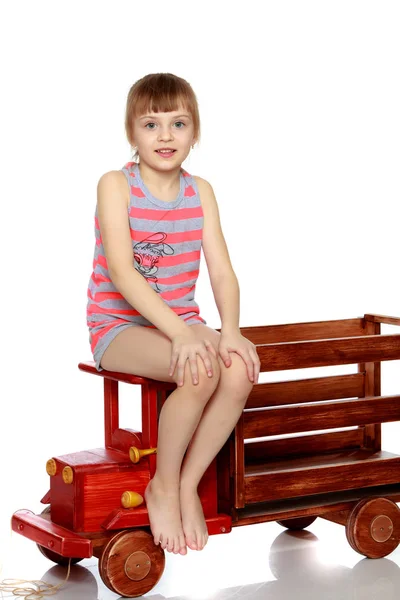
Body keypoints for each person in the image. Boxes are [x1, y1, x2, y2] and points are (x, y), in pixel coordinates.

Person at [86, 73, 260, 556]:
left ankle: (187, 483)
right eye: (151, 124)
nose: (165, 136)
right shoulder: (116, 185)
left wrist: (230, 331)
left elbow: (222, 273)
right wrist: (183, 335)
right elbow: (122, 272)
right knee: (197, 370)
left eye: (178, 124)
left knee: (237, 368)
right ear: (132, 134)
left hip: (180, 322)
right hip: (118, 327)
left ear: (194, 133)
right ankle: (162, 485)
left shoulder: (200, 191)